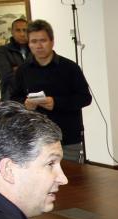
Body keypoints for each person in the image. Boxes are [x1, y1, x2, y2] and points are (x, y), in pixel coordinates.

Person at [10, 19, 92, 163]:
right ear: (29, 44)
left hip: (67, 137)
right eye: (34, 41)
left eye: (43, 40)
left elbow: (84, 97)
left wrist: (56, 102)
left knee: (69, 180)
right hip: (34, 138)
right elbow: (13, 98)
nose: (38, 46)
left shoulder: (70, 68)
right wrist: (25, 104)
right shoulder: (23, 70)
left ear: (52, 41)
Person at [0, 17, 30, 100]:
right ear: (12, 32)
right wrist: (29, 70)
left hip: (33, 100)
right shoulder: (2, 51)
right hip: (12, 100)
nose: (22, 34)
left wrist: (17, 69)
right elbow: (6, 77)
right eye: (18, 30)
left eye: (25, 30)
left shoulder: (34, 50)